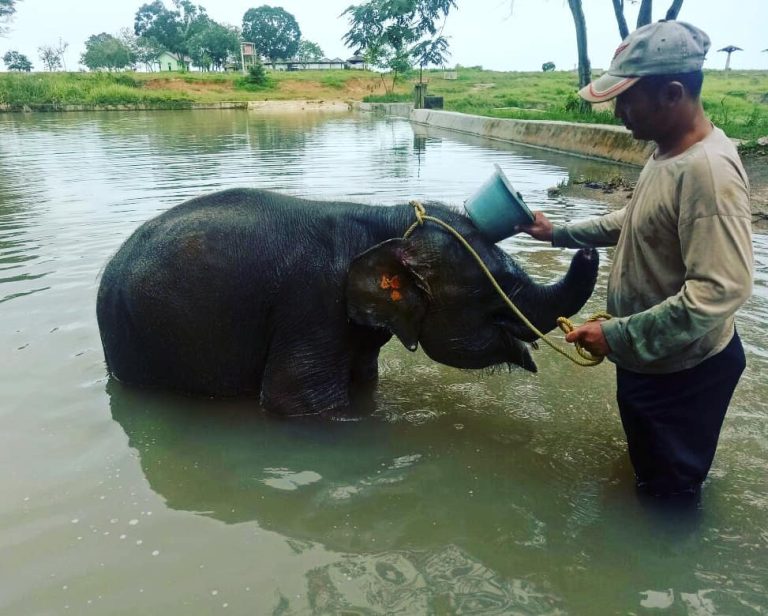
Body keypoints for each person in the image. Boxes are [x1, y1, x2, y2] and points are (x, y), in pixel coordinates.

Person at [518, 20, 753, 499]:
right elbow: (633, 218)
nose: (619, 112)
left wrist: (618, 333)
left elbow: (720, 290)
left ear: (671, 93)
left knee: (668, 497)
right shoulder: (667, 152)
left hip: (682, 375)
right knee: (651, 470)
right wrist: (556, 233)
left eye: (627, 99)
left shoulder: (707, 173)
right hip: (653, 358)